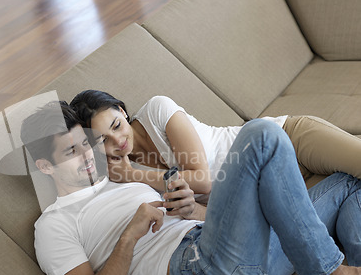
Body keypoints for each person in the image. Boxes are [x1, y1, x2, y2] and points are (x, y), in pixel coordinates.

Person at [20, 100, 361, 275]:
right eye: (70, 152)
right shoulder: (54, 224)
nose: (87, 155)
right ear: (45, 166)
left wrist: (192, 207)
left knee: (347, 183)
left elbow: (208, 212)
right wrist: (129, 235)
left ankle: (349, 267)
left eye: (84, 143)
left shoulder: (119, 175)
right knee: (261, 134)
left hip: (244, 253)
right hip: (204, 272)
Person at [70, 91, 361, 217]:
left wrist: (137, 174)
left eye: (117, 125)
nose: (118, 141)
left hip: (285, 140)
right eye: (104, 141)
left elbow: (202, 181)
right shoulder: (120, 173)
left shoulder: (158, 110)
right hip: (276, 190)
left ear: (121, 110)